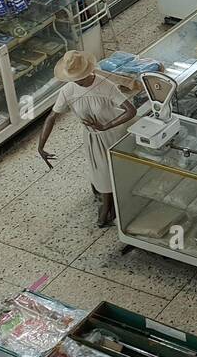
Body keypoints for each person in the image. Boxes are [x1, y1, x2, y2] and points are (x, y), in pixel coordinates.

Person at [37, 51, 138, 227]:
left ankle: (108, 209)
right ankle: (109, 206)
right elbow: (51, 117)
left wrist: (106, 126)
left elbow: (131, 110)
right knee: (102, 173)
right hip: (93, 138)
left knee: (115, 172)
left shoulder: (105, 86)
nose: (75, 81)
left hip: (115, 134)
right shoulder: (68, 90)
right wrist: (41, 146)